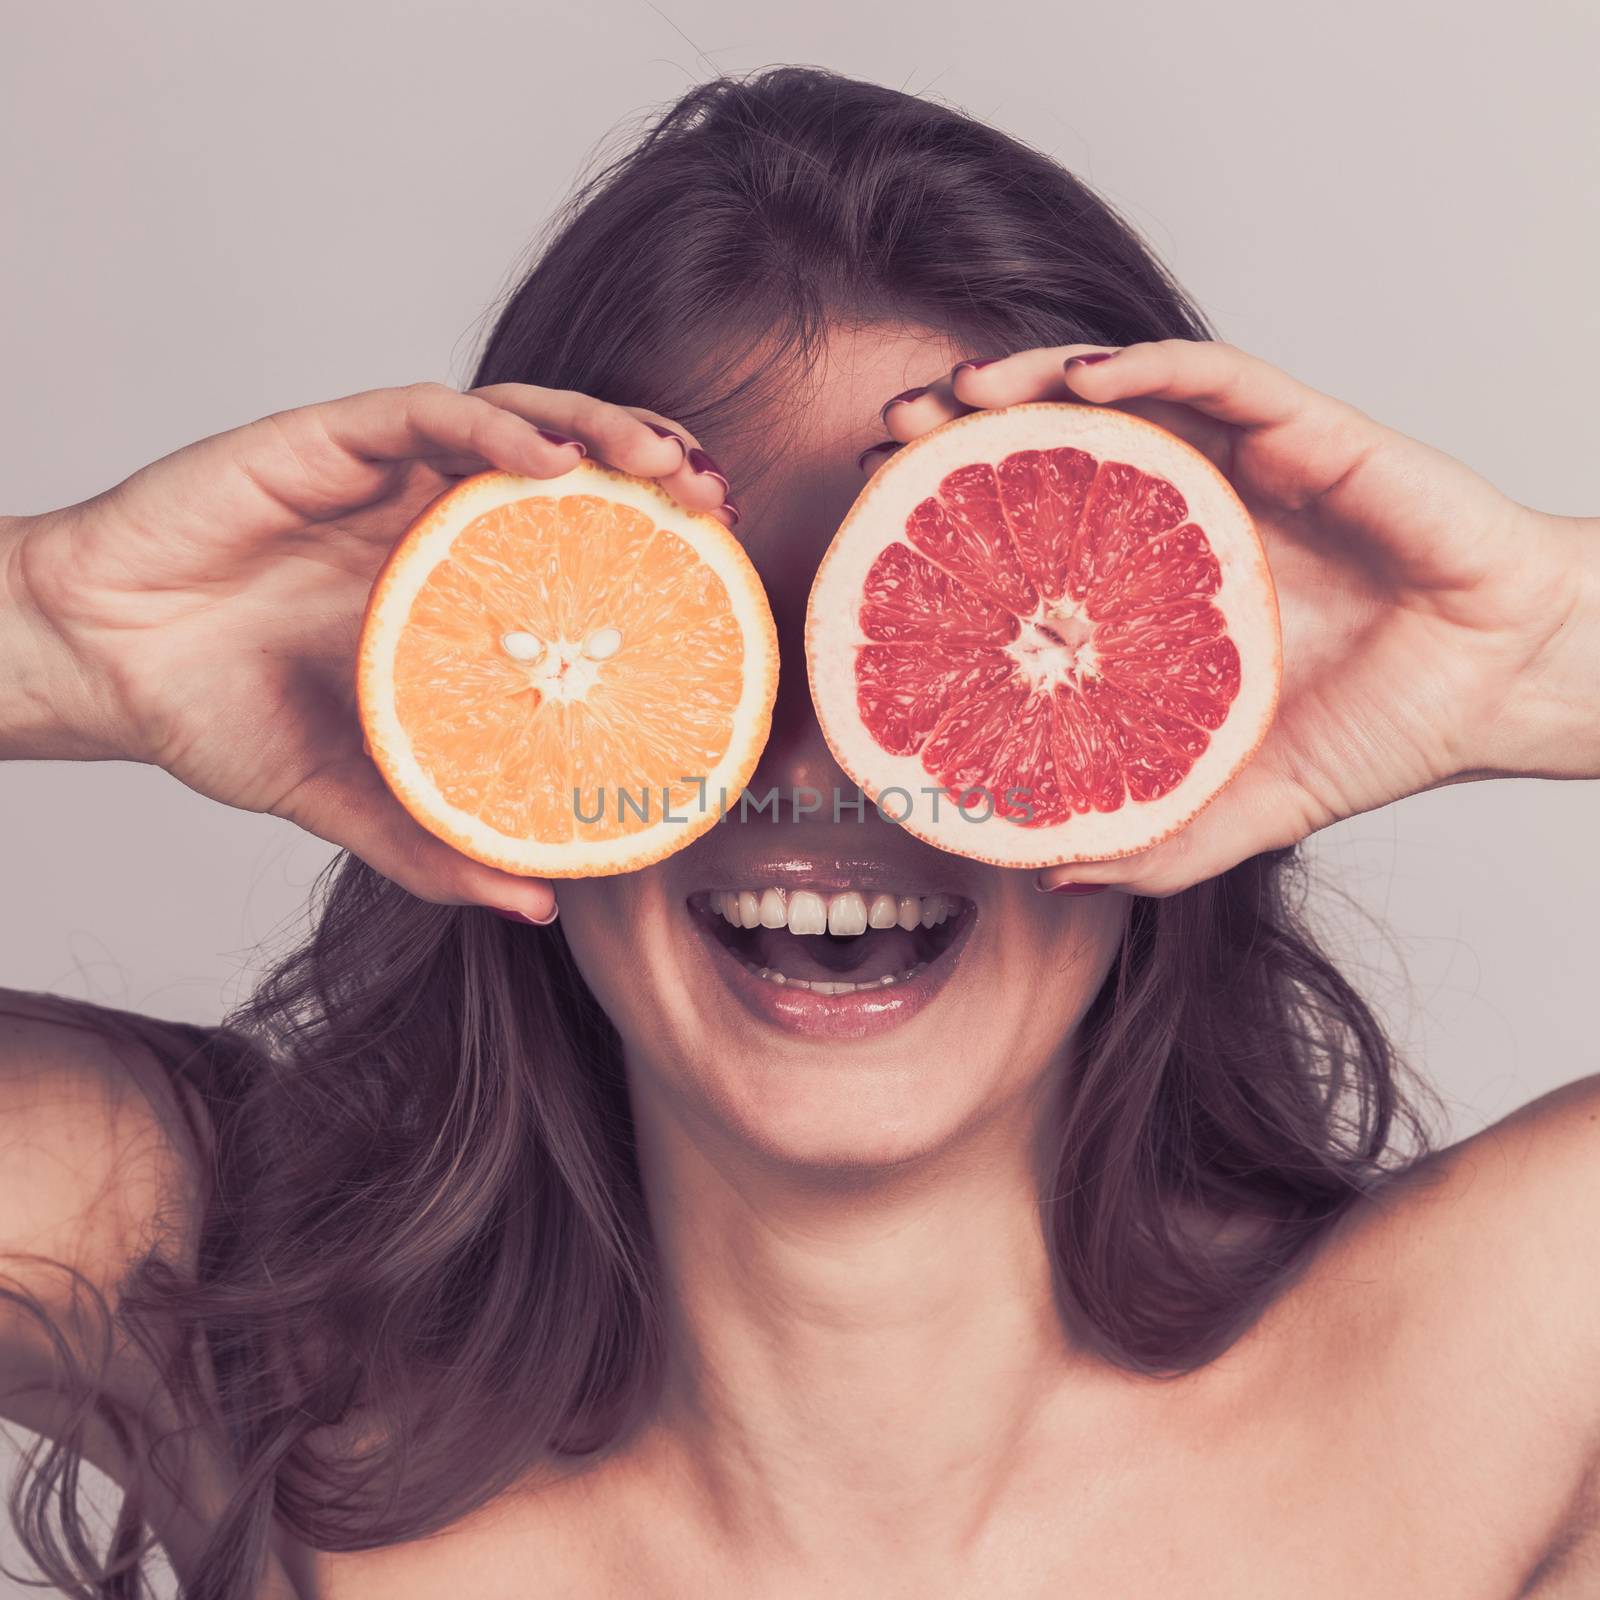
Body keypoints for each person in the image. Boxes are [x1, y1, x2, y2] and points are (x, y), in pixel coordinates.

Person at [2, 65, 1596, 1599]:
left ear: (1163, 730)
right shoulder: (242, 1325)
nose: (826, 768)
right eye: (725, 638)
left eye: (933, 647)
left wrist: (1521, 656)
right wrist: (63, 632)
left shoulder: (1494, 1362)